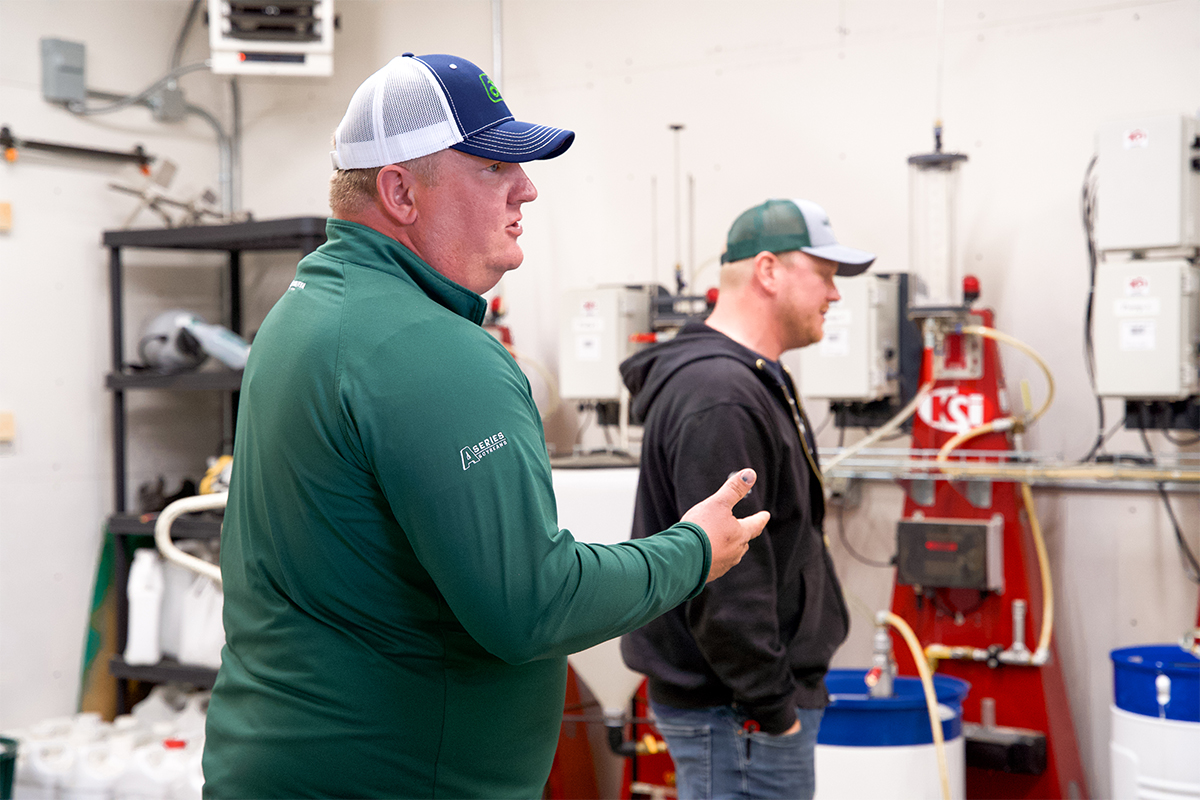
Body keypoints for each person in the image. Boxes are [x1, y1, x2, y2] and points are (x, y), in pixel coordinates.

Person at [201, 53, 768, 799]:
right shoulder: (429, 348)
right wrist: (693, 549)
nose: (526, 188)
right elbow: (531, 606)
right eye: (493, 166)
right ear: (401, 191)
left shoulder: (306, 313)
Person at [619, 198, 874, 799]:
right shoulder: (722, 396)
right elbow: (726, 579)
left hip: (744, 709)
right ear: (767, 271)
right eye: (827, 276)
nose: (835, 296)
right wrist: (774, 707)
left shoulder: (752, 378)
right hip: (739, 716)